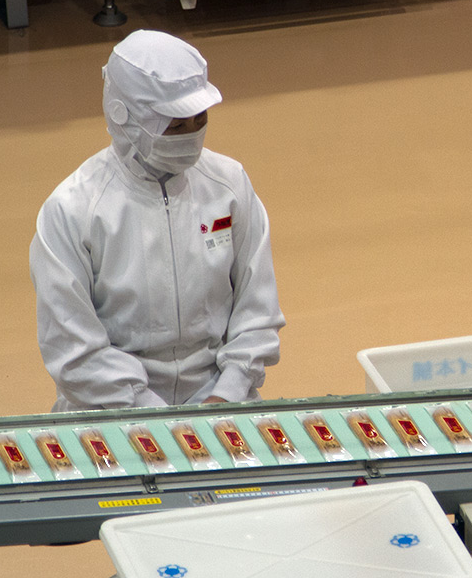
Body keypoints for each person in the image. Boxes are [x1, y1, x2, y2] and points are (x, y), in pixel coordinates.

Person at [30, 30, 284, 411]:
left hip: (222, 403)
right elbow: (74, 350)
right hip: (112, 411)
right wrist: (152, 414)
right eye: (176, 125)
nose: (193, 134)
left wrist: (225, 395)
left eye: (200, 120)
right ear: (125, 117)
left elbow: (257, 311)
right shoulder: (73, 211)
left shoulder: (228, 185)